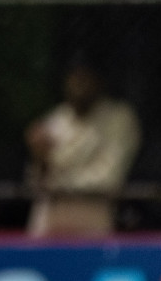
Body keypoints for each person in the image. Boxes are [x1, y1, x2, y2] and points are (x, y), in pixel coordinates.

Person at [25, 58, 140, 237]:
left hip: (91, 211)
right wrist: (40, 158)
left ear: (99, 81)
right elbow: (36, 183)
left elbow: (108, 178)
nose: (78, 83)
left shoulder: (118, 118)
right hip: (52, 212)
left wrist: (58, 185)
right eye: (74, 76)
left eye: (85, 77)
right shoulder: (57, 119)